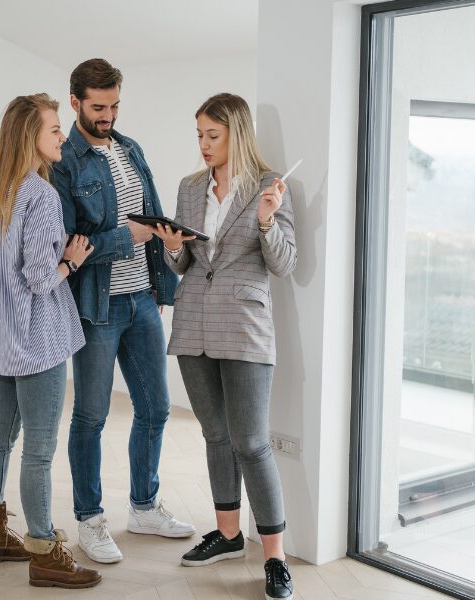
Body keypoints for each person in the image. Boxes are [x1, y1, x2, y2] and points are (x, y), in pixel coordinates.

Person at [148, 93, 297, 600]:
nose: (204, 145)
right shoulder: (191, 188)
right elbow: (186, 265)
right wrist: (170, 245)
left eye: (213, 136)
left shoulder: (270, 185)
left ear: (237, 133)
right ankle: (229, 535)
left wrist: (266, 221)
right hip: (193, 324)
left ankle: (274, 559)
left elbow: (284, 264)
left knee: (251, 443)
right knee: (215, 435)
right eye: (199, 136)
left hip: (246, 327)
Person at [0, 93, 100, 590]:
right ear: (30, 138)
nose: (63, 136)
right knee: (38, 449)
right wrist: (72, 257)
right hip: (37, 340)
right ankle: (44, 551)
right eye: (55, 129)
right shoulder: (41, 196)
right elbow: (40, 278)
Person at [52, 58, 196, 564]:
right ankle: (90, 520)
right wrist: (125, 237)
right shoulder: (63, 163)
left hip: (141, 301)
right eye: (98, 106)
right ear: (75, 102)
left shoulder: (130, 149)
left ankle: (143, 506)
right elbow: (67, 245)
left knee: (156, 408)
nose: (108, 115)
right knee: (90, 416)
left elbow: (148, 217)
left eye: (114, 104)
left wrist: (163, 260)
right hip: (97, 307)